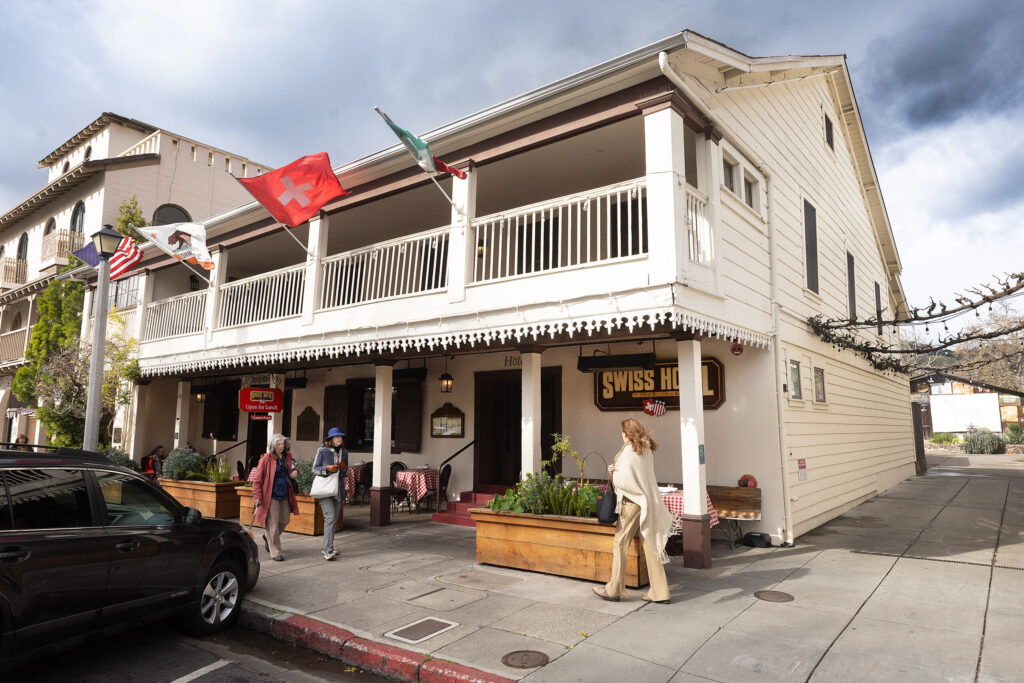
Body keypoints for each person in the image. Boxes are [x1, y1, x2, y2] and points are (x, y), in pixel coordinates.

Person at [593, 417, 675, 604]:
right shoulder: (645, 449)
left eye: (622, 432)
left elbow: (624, 481)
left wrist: (613, 473)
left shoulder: (629, 451)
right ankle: (660, 592)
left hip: (631, 503)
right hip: (646, 503)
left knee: (620, 543)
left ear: (626, 434)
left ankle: (614, 589)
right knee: (649, 544)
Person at [251, 433, 299, 561]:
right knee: (272, 525)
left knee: (284, 520)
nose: (281, 446)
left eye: (282, 443)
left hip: (284, 494)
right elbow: (256, 480)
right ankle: (275, 552)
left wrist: (295, 472)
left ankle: (268, 538)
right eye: (278, 444)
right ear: (273, 445)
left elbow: (292, 468)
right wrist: (257, 496)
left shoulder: (287, 456)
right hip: (270, 496)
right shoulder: (266, 459)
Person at [312, 427, 348, 561]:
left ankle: (327, 547)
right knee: (330, 517)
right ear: (330, 439)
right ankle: (328, 551)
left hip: (338, 490)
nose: (339, 439)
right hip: (325, 490)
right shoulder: (322, 450)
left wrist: (344, 469)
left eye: (341, 437)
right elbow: (314, 469)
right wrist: (327, 468)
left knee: (333, 520)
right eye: (336, 437)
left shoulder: (344, 452)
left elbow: (345, 473)